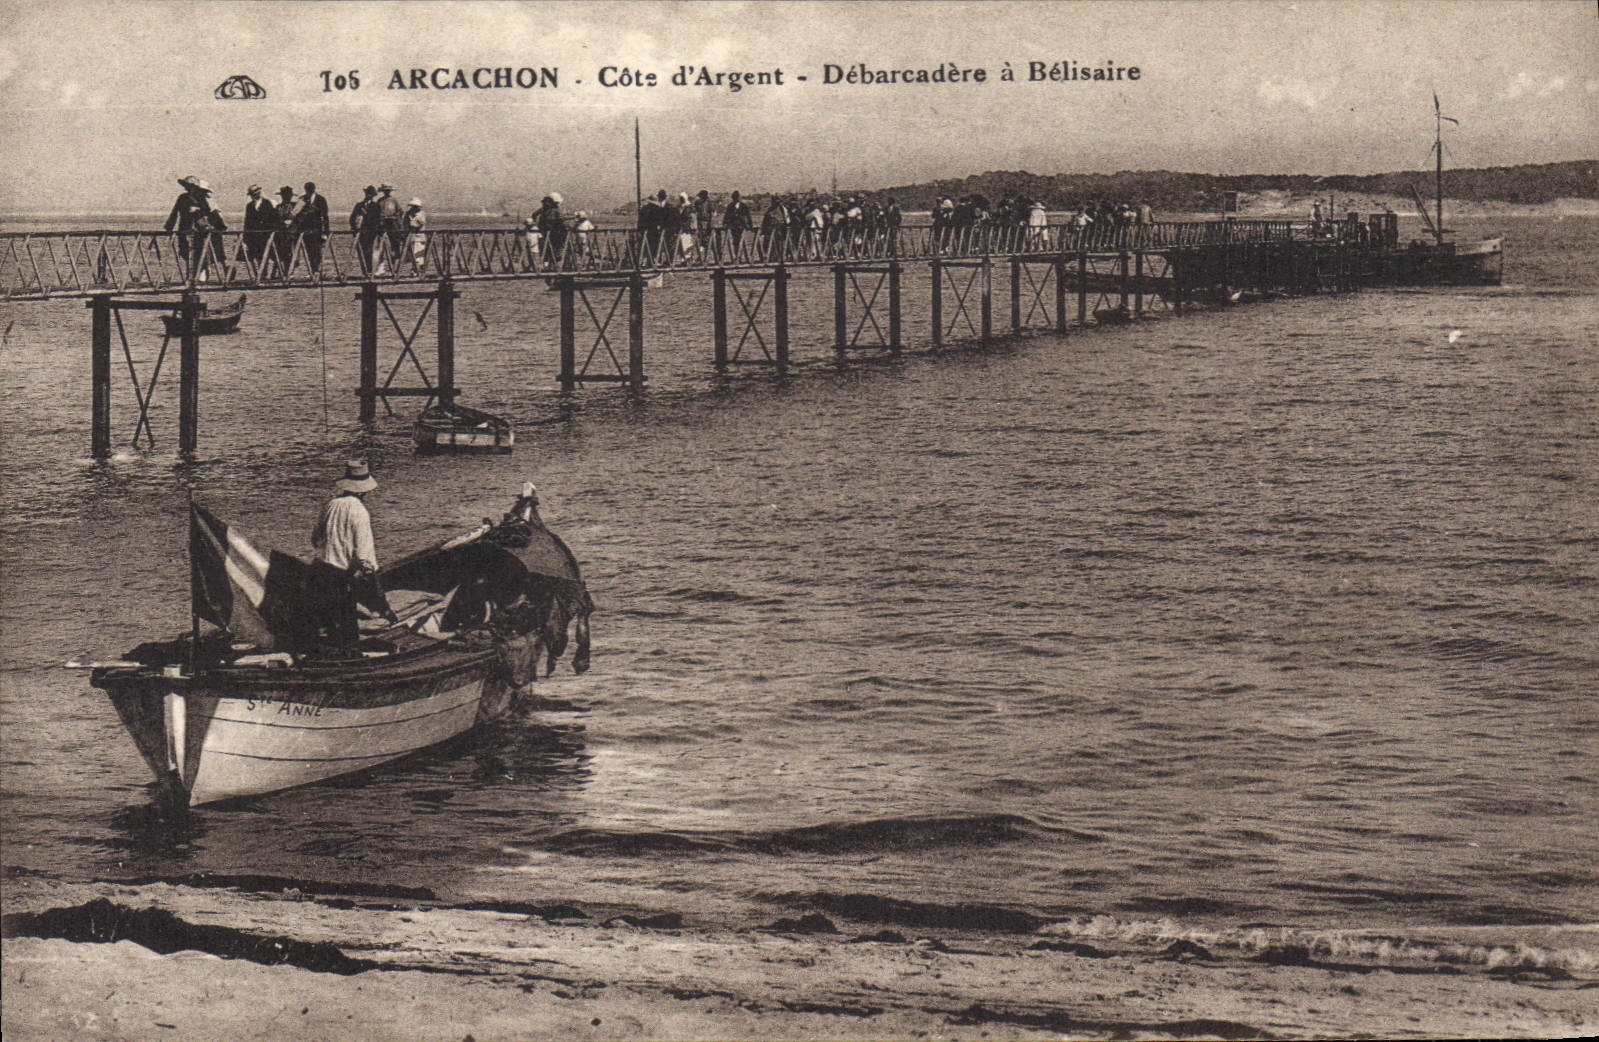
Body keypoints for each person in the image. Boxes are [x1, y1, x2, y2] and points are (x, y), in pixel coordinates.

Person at [308, 460, 395, 651]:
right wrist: (380, 600)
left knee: (331, 623)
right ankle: (349, 655)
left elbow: (315, 539)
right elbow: (365, 557)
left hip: (320, 570)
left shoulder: (330, 505)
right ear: (364, 491)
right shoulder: (359, 512)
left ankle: (331, 652)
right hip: (340, 576)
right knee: (347, 624)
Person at [295, 181, 330, 273]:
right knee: (309, 251)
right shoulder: (303, 199)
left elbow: (325, 216)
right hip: (306, 230)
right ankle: (312, 270)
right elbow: (297, 214)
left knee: (317, 251)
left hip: (317, 230)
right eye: (307, 189)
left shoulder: (320, 200)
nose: (308, 191)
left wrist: (325, 232)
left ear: (313, 189)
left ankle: (316, 271)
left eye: (309, 189)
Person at [241, 184, 276, 274]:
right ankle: (260, 274)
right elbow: (247, 222)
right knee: (256, 255)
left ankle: (264, 273)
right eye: (253, 194)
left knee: (266, 253)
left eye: (256, 193)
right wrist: (245, 238)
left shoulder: (267, 203)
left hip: (265, 234)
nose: (254, 196)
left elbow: (273, 218)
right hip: (254, 235)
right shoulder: (249, 206)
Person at [350, 185, 378, 274]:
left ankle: (369, 271)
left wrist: (366, 215)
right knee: (361, 251)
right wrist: (354, 228)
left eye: (370, 194)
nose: (368, 195)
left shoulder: (375, 206)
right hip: (360, 232)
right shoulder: (359, 205)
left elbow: (376, 219)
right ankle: (365, 271)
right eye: (367, 193)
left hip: (370, 232)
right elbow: (352, 218)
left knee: (369, 251)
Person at [376, 184, 404, 274]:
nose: (386, 192)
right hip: (382, 226)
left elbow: (400, 212)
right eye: (385, 190)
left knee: (395, 246)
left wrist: (394, 219)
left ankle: (395, 268)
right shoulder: (379, 201)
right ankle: (381, 268)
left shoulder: (394, 201)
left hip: (393, 226)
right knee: (380, 247)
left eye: (388, 190)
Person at [535, 193, 567, 267]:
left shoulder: (544, 210)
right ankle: (553, 264)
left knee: (548, 248)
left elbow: (534, 215)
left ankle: (549, 264)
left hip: (546, 232)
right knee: (555, 248)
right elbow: (561, 221)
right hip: (554, 233)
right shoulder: (555, 210)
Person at [272, 185, 297, 276]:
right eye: (284, 195)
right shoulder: (278, 207)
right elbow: (274, 219)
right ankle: (280, 271)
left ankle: (289, 272)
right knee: (280, 253)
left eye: (288, 195)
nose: (286, 197)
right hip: (281, 234)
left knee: (292, 253)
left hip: (292, 234)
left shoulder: (295, 206)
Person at [403, 197, 427, 273]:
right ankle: (414, 270)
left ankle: (419, 270)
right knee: (412, 255)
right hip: (411, 237)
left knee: (419, 255)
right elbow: (405, 224)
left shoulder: (421, 214)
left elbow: (417, 224)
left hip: (419, 237)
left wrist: (411, 219)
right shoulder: (408, 214)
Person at [724, 190, 752, 254]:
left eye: (737, 197)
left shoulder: (744, 206)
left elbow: (748, 216)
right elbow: (726, 216)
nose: (736, 199)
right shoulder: (730, 206)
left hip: (742, 225)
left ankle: (740, 255)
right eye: (735, 197)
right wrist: (725, 224)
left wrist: (750, 225)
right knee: (735, 241)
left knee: (741, 241)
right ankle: (737, 255)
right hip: (733, 226)